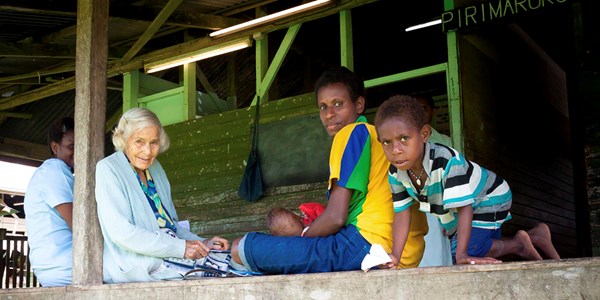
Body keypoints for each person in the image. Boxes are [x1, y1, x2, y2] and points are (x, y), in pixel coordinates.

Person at [228, 66, 427, 275]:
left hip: (369, 246)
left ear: (359, 105)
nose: (329, 114)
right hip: (405, 253)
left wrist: (303, 239)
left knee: (241, 248)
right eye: (323, 107)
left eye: (338, 104)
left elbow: (336, 217)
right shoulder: (377, 137)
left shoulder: (351, 133)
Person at [374, 95, 561, 265]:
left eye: (404, 138)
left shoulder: (446, 161)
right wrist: (395, 256)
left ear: (424, 134)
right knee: (467, 251)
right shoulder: (396, 172)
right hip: (462, 209)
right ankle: (532, 238)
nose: (396, 149)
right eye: (387, 142)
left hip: (490, 197)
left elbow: (465, 207)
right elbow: (402, 213)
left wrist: (462, 254)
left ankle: (519, 244)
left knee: (463, 253)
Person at [94, 107, 229, 283]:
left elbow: (172, 226)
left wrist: (202, 243)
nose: (148, 151)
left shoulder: (156, 169)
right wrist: (181, 248)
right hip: (139, 262)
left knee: (226, 258)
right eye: (139, 142)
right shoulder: (108, 168)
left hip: (171, 251)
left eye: (154, 143)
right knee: (225, 269)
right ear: (124, 139)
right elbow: (123, 233)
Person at [24, 117, 75, 287]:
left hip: (51, 268)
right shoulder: (56, 170)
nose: (78, 151)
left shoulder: (46, 172)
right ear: (55, 147)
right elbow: (79, 225)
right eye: (71, 146)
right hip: (64, 267)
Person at [413, 94, 453, 267]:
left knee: (437, 251)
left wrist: (450, 214)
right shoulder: (405, 139)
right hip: (416, 202)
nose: (421, 113)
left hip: (438, 204)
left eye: (425, 108)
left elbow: (451, 178)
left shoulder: (445, 141)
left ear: (433, 112)